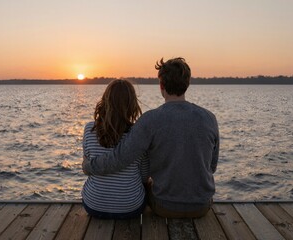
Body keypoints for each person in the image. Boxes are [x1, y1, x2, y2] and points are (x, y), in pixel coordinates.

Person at [83, 57, 219, 218]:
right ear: (187, 84)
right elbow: (211, 166)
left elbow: (120, 158)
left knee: (145, 184)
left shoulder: (149, 120)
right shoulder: (209, 118)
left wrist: (89, 166)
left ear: (161, 85)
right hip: (201, 207)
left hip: (164, 207)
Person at [81, 79, 149, 219]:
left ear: (105, 100)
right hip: (131, 208)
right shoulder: (137, 134)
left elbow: (87, 168)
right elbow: (143, 175)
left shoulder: (89, 129)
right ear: (132, 104)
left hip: (93, 206)